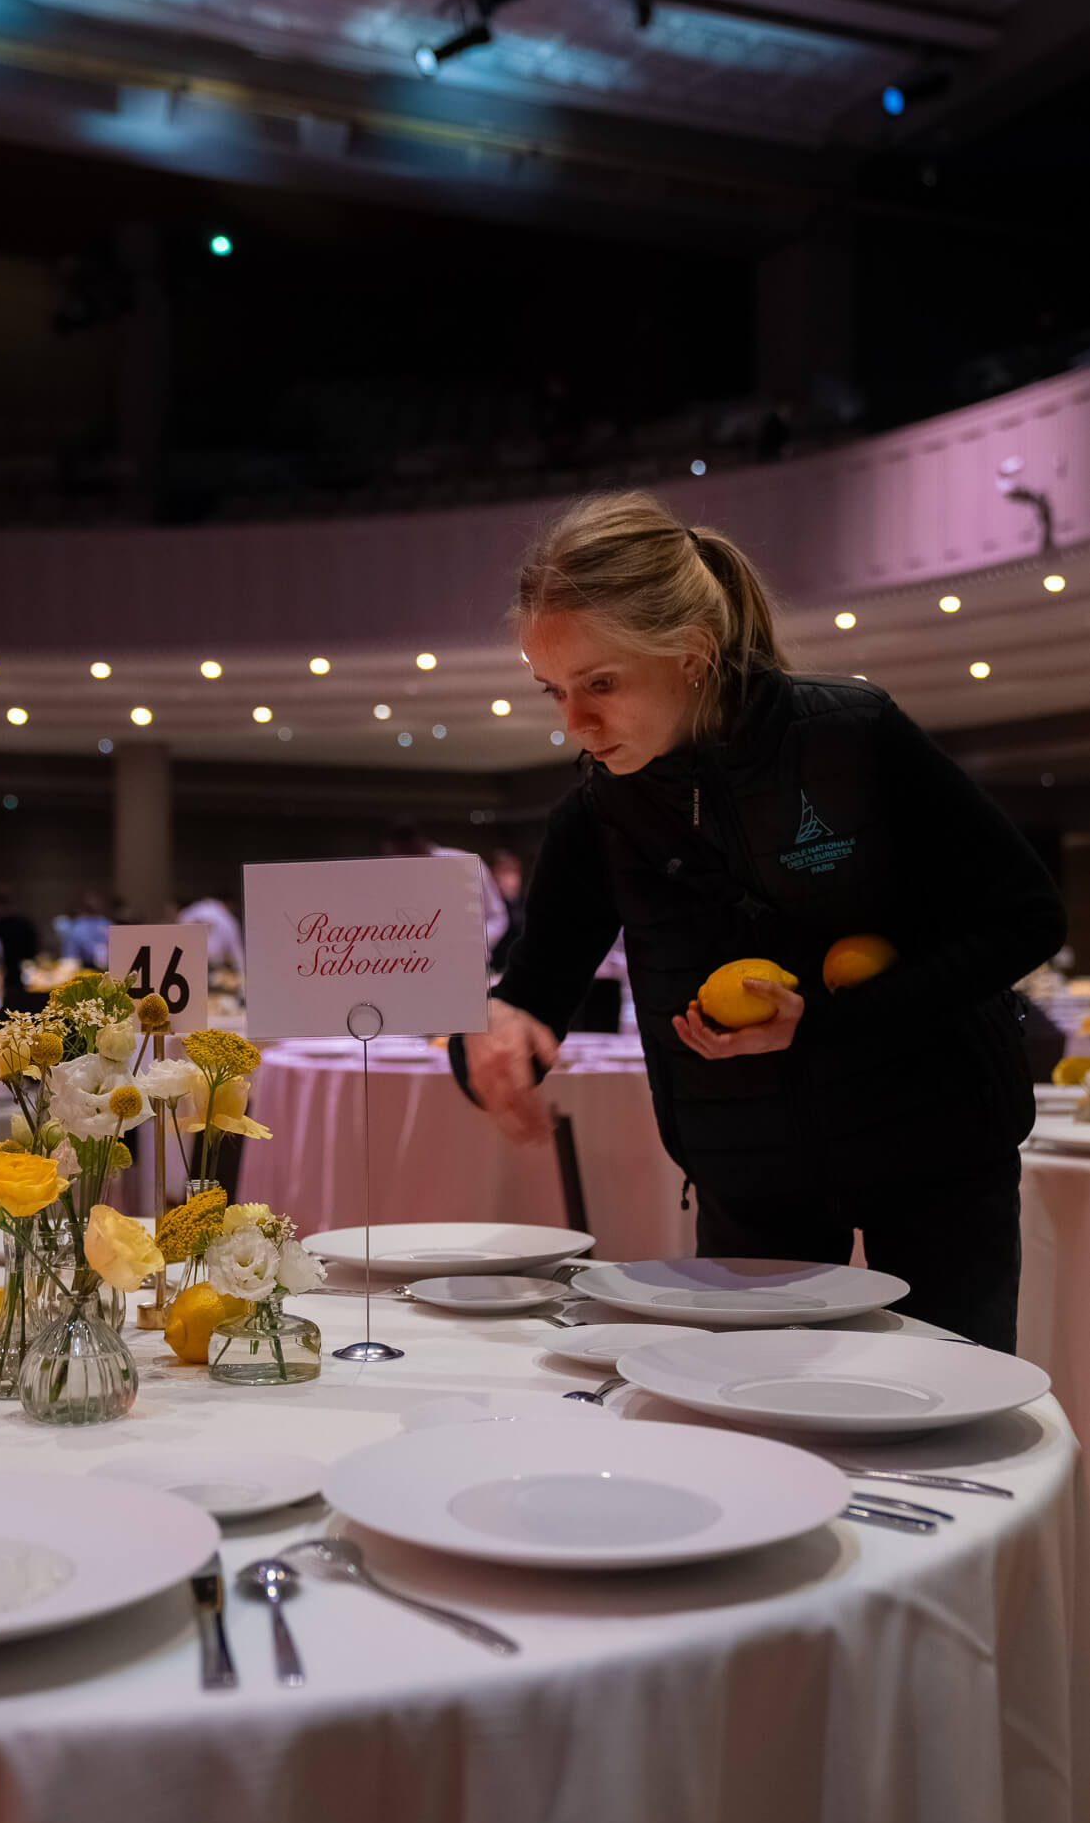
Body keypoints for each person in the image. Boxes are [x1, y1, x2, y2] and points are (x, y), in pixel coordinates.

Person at [453, 491, 1065, 1354]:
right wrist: (490, 1039)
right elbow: (532, 992)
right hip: (750, 1180)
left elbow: (1024, 917)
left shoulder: (851, 736)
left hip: (936, 1148)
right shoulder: (595, 816)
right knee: (755, 1414)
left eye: (601, 684)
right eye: (553, 690)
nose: (574, 725)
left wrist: (825, 1021)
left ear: (691, 654)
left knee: (950, 1410)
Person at [381, 823, 509, 958]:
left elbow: (496, 915)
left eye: (408, 851)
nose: (405, 859)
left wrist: (473, 943)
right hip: (410, 960)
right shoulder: (388, 873)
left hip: (467, 958)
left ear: (420, 843)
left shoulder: (464, 864)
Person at [179, 892, 245, 970]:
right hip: (205, 962)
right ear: (230, 904)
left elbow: (181, 920)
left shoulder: (195, 909)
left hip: (190, 962)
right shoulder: (228, 920)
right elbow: (237, 954)